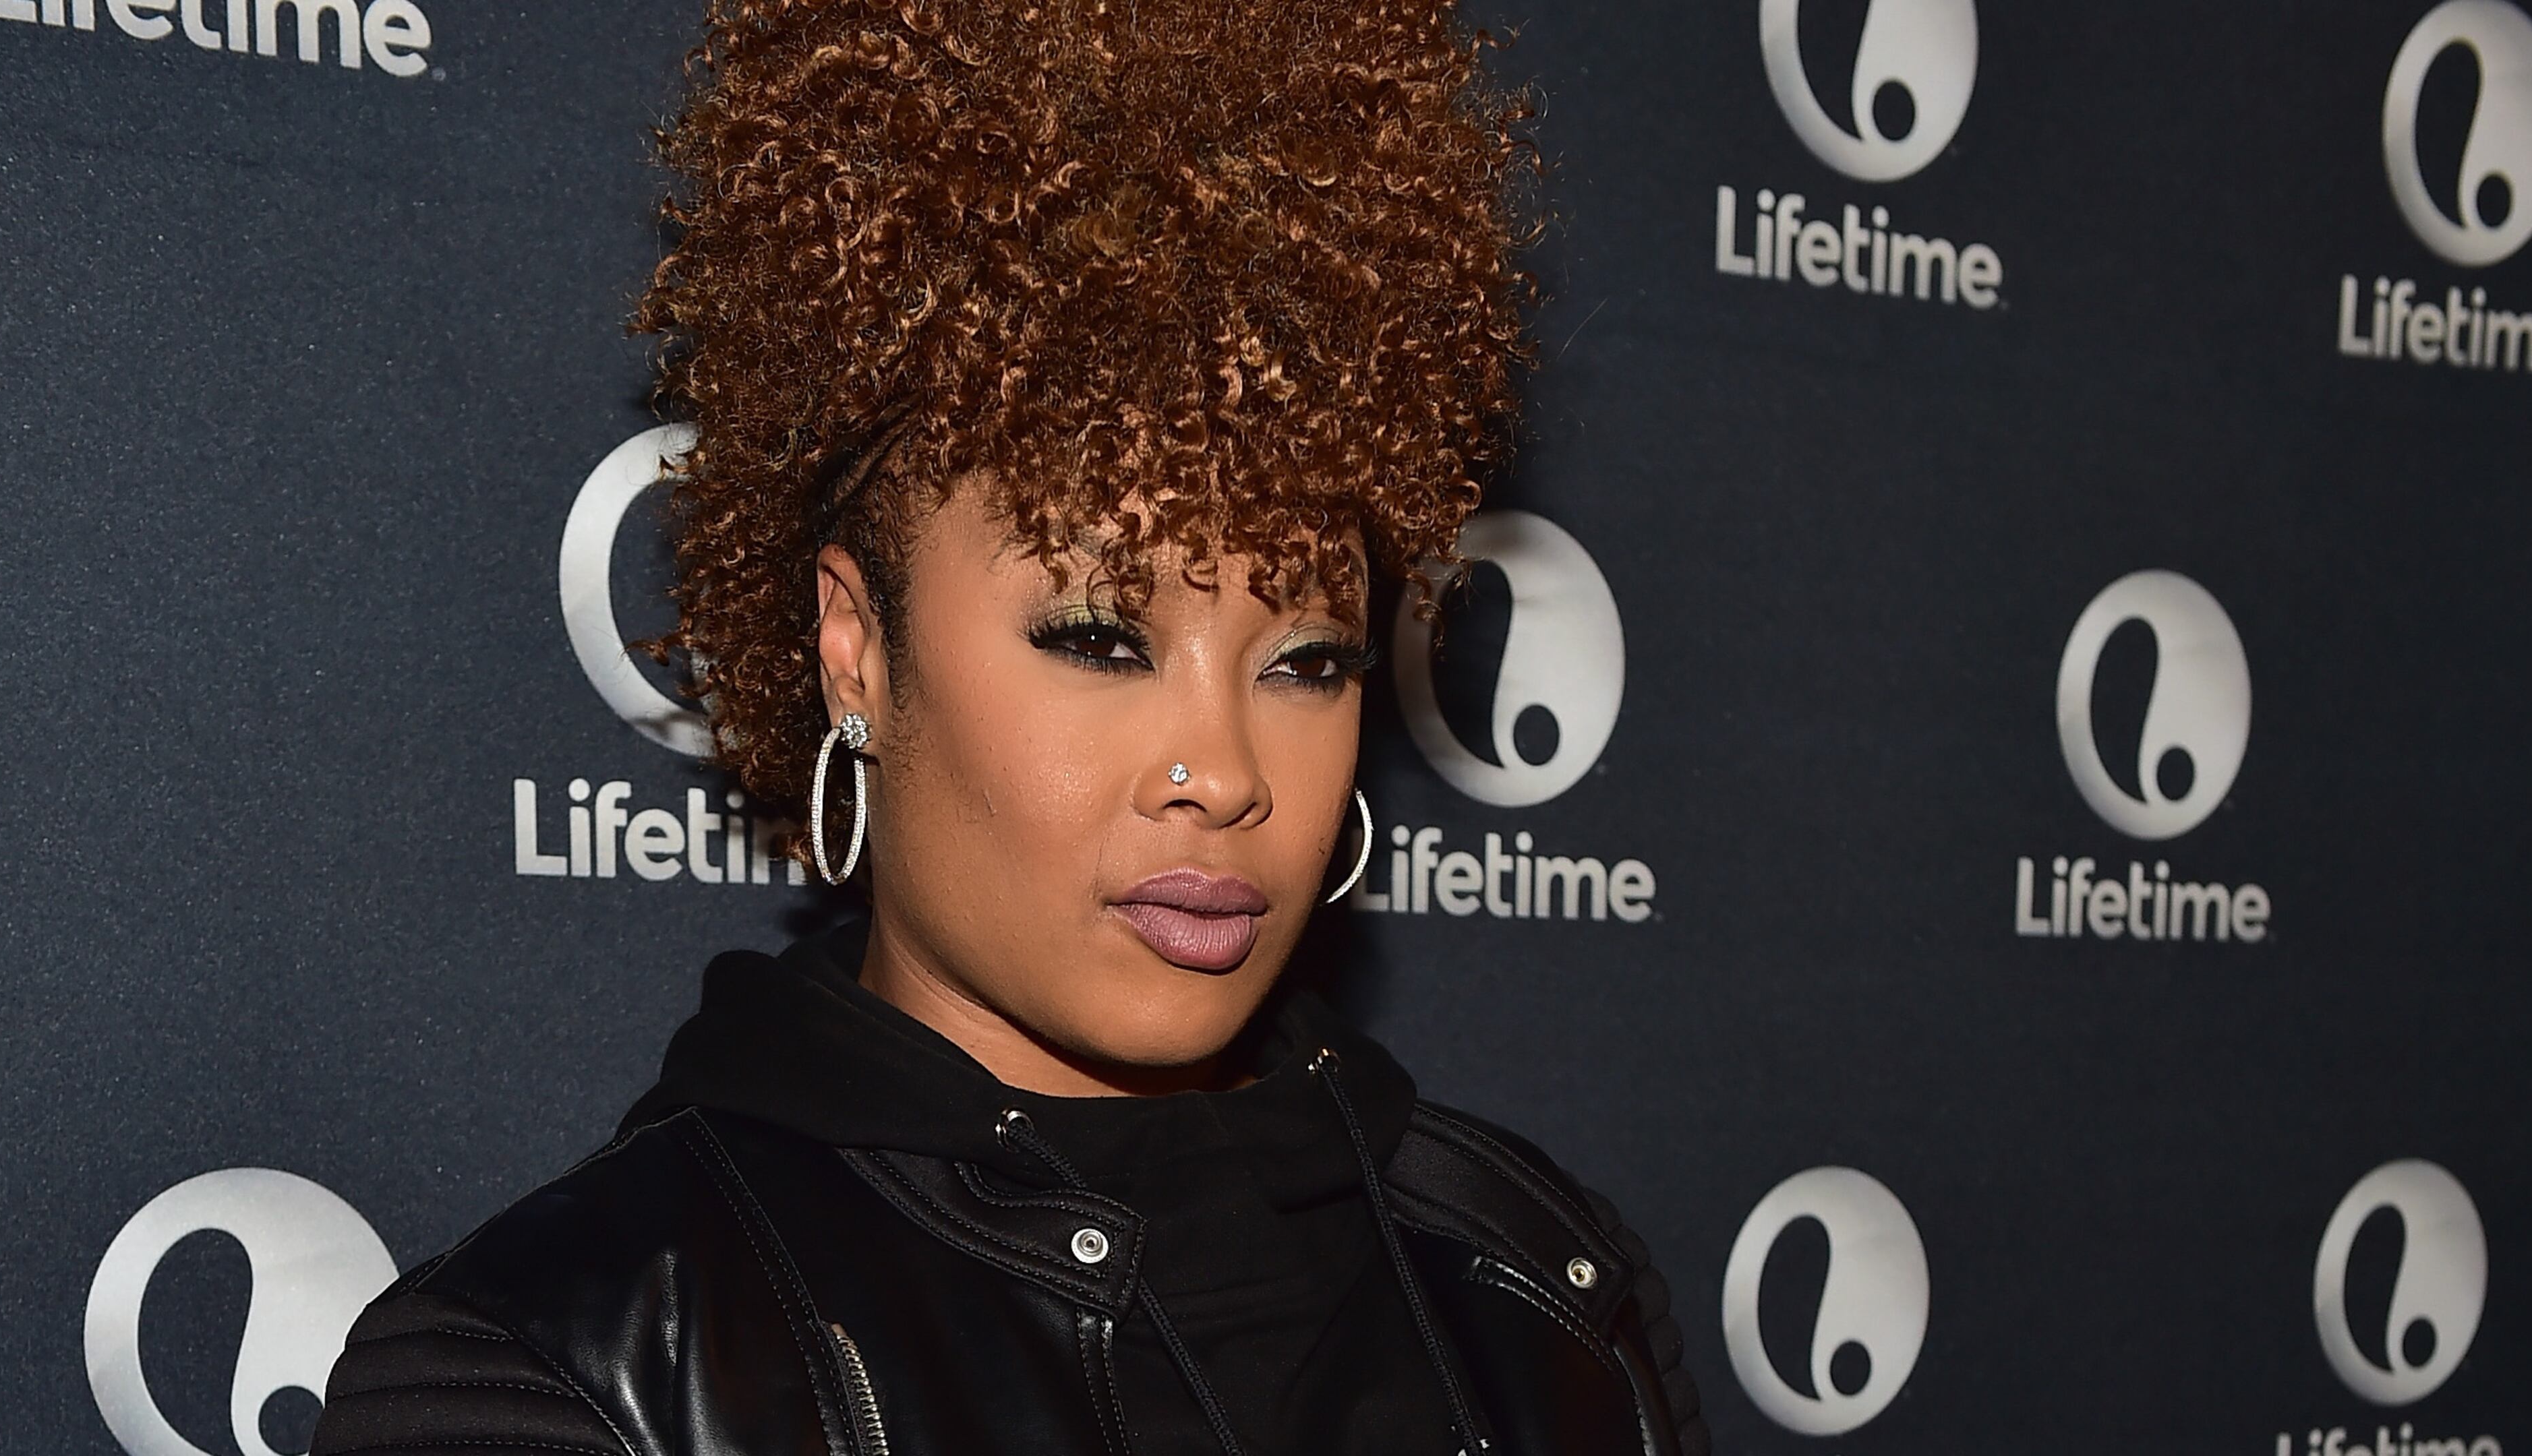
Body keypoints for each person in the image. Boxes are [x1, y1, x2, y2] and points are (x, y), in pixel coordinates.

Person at [313, 0, 1705, 1451]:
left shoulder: (1548, 1288)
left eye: (1307, 663)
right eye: (1099, 640)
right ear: (857, 650)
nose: (1225, 775)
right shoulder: (564, 1369)